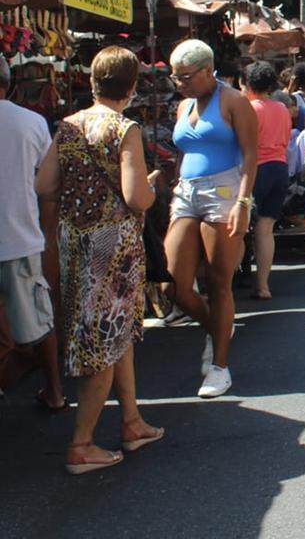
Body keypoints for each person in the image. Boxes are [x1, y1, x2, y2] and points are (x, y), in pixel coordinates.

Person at [34, 47, 164, 473]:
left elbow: (45, 184)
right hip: (113, 247)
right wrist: (152, 187)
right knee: (104, 342)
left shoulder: (68, 126)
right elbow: (135, 196)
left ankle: (131, 421)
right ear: (131, 86)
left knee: (115, 334)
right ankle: (81, 444)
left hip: (76, 240)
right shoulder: (124, 129)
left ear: (92, 81)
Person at [165, 39, 258, 398]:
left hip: (224, 190)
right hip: (187, 190)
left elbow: (251, 156)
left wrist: (243, 202)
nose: (180, 84)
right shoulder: (184, 104)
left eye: (186, 77)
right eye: (176, 78)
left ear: (208, 70)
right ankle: (218, 327)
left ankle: (220, 367)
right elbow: (183, 150)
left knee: (219, 283)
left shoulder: (234, 102)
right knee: (173, 284)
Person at [0, 55, 66, 414]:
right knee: (40, 321)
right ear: (9, 84)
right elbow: (48, 181)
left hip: (19, 235)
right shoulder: (31, 122)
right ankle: (54, 390)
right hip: (21, 236)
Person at [244, 62, 291, 300]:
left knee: (241, 228)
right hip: (279, 169)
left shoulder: (250, 109)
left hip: (257, 171)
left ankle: (228, 282)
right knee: (265, 229)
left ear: (247, 84)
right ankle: (263, 285)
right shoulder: (282, 108)